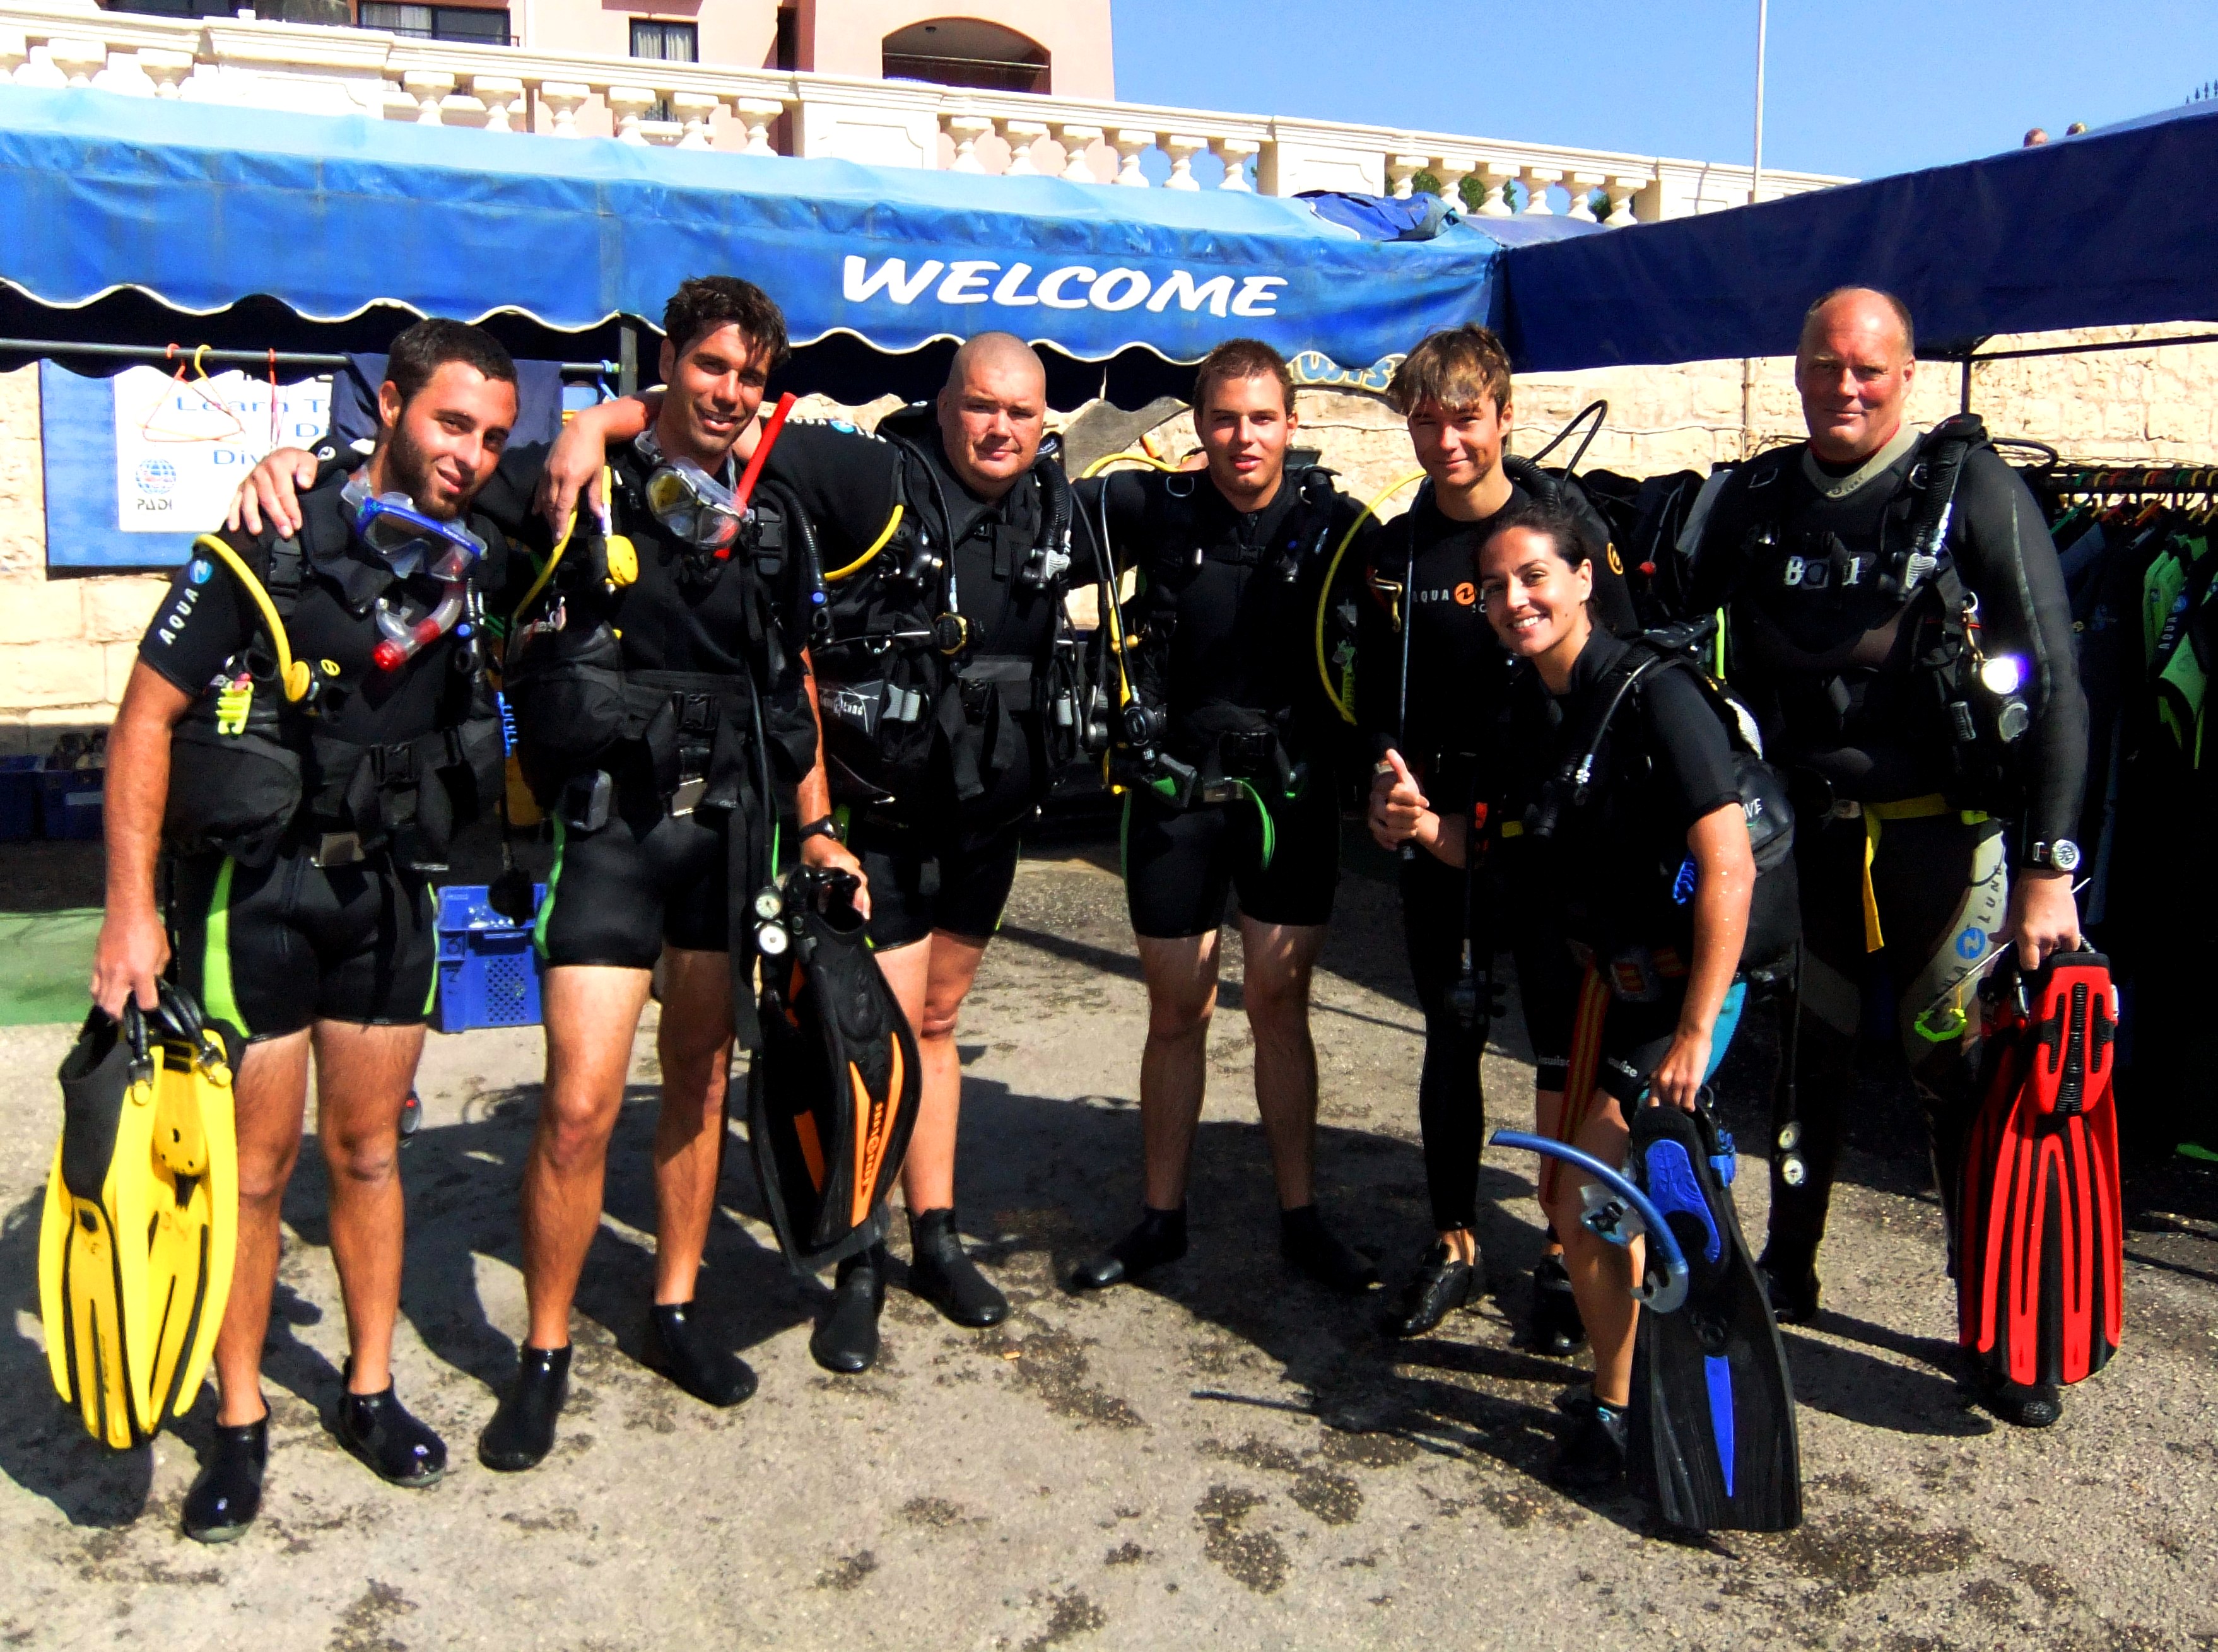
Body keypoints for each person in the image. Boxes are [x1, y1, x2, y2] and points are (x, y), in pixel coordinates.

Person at [231, 279, 867, 1465]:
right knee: (577, 1110)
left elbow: (798, 683)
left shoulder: (777, 514)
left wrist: (820, 827)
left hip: (728, 835)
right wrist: (289, 471)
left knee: (697, 1087)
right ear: (669, 363)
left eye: (749, 375)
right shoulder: (561, 483)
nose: (730, 393)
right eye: (710, 366)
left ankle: (674, 1311)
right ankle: (546, 1353)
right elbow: (413, 480)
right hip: (611, 835)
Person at [509, 331, 1086, 1374]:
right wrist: (598, 419)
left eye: (1022, 412)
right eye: (980, 405)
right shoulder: (873, 475)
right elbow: (717, 415)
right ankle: (858, 1262)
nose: (1000, 428)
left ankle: (937, 1238)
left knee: (941, 1023)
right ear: (943, 402)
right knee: (873, 1041)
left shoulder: (1065, 506)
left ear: (1045, 421)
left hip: (989, 815)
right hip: (882, 810)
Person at [97, 319, 519, 1539]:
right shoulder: (270, 531)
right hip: (259, 900)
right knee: (255, 1171)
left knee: (372, 1156)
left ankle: (369, 1389)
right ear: (386, 405)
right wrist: (132, 916)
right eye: (449, 423)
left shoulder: (480, 545)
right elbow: (141, 724)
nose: (471, 454)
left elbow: (609, 439)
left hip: (390, 898)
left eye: (491, 434)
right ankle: (239, 1418)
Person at [1685, 286, 2087, 1427]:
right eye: (1824, 367)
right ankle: (1788, 1260)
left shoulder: (1976, 492)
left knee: (1958, 1089)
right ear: (1799, 371)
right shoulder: (1757, 498)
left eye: (1868, 368)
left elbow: (2055, 683)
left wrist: (2051, 870)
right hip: (1805, 845)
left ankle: (1996, 1319)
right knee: (1804, 1066)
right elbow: (1660, 631)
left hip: (1939, 848)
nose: (1845, 388)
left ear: (1907, 374)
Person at [1376, 501, 1757, 1484]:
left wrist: (1693, 1035)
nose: (1514, 600)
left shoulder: (1656, 694)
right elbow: (1494, 849)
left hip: (1685, 992)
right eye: (1495, 587)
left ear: (1586, 578)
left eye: (1535, 577)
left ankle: (1626, 1409)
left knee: (1589, 1192)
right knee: (1569, 1194)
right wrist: (1420, 827)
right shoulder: (1519, 707)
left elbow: (1730, 867)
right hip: (1609, 985)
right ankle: (1629, 1380)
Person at [1069, 339, 1379, 1294]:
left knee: (1281, 1007)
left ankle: (1301, 1215)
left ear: (1293, 424)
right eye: (1224, 418)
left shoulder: (1344, 529)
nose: (1243, 437)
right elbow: (1003, 503)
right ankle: (1161, 1218)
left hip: (1288, 794)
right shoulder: (1145, 510)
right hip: (1175, 792)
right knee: (1177, 1010)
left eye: (1262, 418)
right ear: (1196, 426)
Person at [1356, 325, 1636, 1344]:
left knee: (1566, 1051)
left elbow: (1625, 676)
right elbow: (1376, 700)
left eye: (1464, 419)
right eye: (1426, 423)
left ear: (1505, 414)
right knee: (1451, 1033)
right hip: (1443, 836)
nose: (1445, 443)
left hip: (1554, 834)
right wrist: (1385, 785)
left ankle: (1567, 1252)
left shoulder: (1563, 524)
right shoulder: (1395, 548)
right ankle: (1457, 1240)